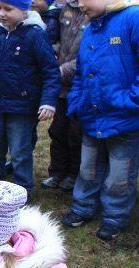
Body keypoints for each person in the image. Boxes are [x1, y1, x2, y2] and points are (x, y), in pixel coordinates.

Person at [61, 0, 139, 241]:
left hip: (124, 117)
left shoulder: (136, 18)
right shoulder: (91, 27)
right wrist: (77, 99)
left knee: (120, 173)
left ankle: (114, 215)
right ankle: (83, 206)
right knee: (87, 167)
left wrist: (134, 100)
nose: (79, 5)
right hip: (91, 113)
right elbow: (81, 70)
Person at [0, 0, 60, 200]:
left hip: (23, 107)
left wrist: (48, 101)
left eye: (8, 9)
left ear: (24, 10)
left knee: (20, 152)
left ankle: (23, 191)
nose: (1, 14)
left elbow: (50, 71)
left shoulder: (35, 35)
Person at [40, 0, 88, 191]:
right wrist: (53, 56)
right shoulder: (65, 9)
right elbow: (58, 39)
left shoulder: (94, 11)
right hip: (61, 87)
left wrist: (62, 70)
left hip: (80, 85)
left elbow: (89, 55)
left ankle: (73, 174)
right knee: (58, 131)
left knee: (75, 134)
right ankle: (57, 172)